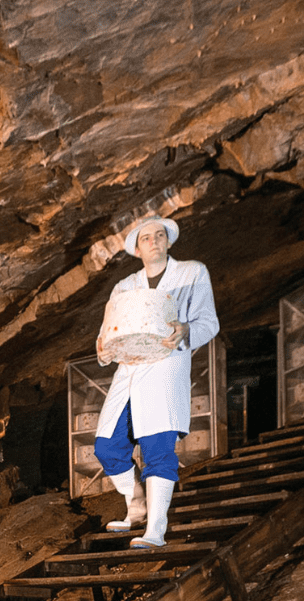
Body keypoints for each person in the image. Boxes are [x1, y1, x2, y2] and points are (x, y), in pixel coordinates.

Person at [93, 216, 219, 547]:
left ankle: (156, 530)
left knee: (157, 448)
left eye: (159, 235)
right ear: (137, 248)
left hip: (166, 366)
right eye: (146, 237)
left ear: (168, 242)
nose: (154, 241)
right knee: (106, 445)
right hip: (130, 369)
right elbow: (107, 333)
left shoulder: (192, 273)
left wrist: (187, 329)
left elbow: (208, 321)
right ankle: (136, 504)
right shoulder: (123, 287)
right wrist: (104, 350)